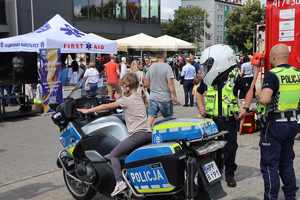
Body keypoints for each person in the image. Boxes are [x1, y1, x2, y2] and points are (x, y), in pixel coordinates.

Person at [77, 73, 152, 197]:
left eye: (122, 86)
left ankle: (119, 182)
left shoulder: (125, 100)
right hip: (148, 133)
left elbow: (106, 106)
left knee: (113, 155)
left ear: (127, 87)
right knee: (119, 153)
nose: (121, 88)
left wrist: (88, 110)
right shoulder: (139, 95)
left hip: (137, 135)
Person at [241, 44, 300, 200]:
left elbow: (266, 99)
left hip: (275, 125)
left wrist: (259, 94)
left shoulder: (273, 74)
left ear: (274, 58)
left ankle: (271, 197)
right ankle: (290, 196)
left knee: (270, 165)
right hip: (293, 123)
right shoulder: (297, 73)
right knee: (287, 162)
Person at [196, 45, 240, 188]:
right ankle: (216, 172)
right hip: (212, 121)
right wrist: (201, 107)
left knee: (230, 148)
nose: (206, 67)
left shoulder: (234, 77)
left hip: (229, 121)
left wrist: (243, 108)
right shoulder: (208, 80)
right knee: (213, 149)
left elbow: (247, 93)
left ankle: (230, 174)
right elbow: (198, 92)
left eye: (209, 64)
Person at [144, 54, 177, 126]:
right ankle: (168, 135)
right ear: (164, 57)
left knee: (150, 118)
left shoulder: (151, 67)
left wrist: (154, 86)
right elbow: (170, 84)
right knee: (168, 120)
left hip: (153, 96)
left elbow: (146, 84)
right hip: (165, 98)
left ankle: (146, 133)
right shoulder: (167, 67)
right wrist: (174, 96)